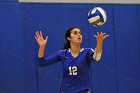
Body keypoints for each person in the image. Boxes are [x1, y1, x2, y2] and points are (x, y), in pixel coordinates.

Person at [35, 27, 109, 93]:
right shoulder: (63, 53)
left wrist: (99, 43)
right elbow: (41, 63)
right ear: (68, 38)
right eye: (75, 33)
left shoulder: (87, 52)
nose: (79, 35)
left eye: (80, 33)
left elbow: (97, 58)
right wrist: (42, 46)